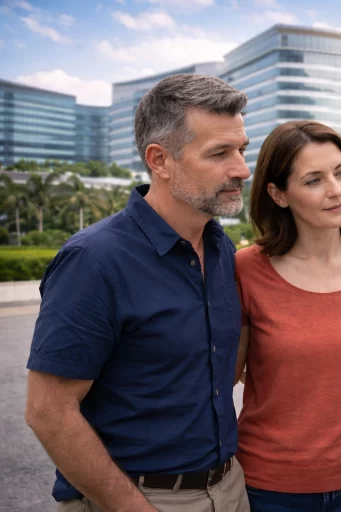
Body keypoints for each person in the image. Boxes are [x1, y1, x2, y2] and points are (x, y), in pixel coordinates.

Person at [25, 74, 251, 512]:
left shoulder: (221, 247)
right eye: (220, 153)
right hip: (134, 497)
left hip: (229, 489)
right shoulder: (94, 261)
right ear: (160, 160)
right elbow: (48, 412)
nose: (241, 168)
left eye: (241, 149)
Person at [234, 120, 341, 512]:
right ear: (279, 195)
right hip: (270, 487)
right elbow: (226, 373)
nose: (336, 190)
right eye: (313, 180)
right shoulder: (245, 270)